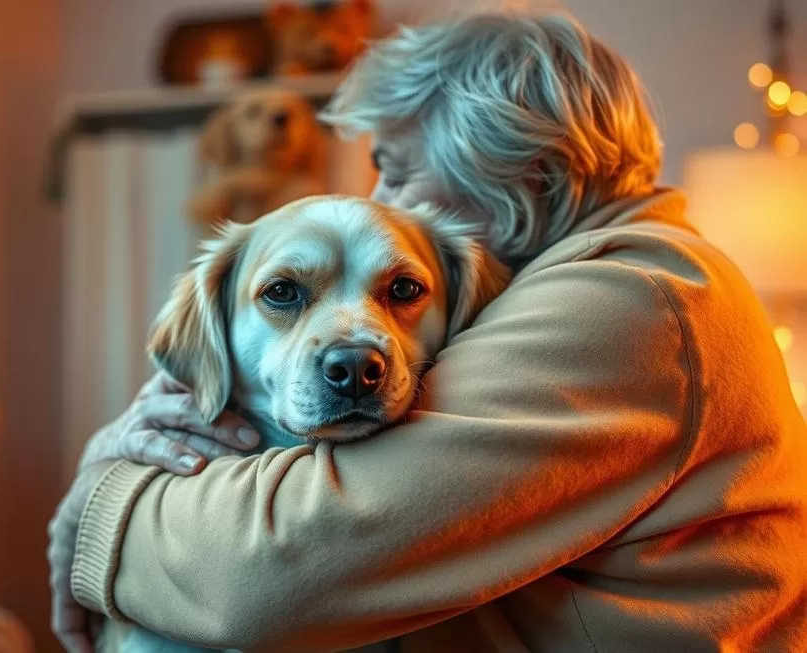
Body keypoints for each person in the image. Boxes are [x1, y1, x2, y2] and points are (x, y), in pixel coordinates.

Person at [49, 11, 807, 653]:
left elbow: (284, 569)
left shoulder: (628, 301)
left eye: (396, 168)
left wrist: (97, 500)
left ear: (527, 176)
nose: (377, 197)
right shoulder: (610, 281)